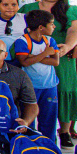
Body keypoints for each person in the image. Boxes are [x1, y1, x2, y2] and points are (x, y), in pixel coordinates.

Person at [19, 0, 77, 148]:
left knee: (64, 90)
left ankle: (64, 131)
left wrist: (66, 47)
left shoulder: (72, 10)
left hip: (62, 57)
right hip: (32, 54)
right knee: (32, 93)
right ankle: (29, 130)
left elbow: (75, 31)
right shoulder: (28, 8)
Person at [13, 9, 60, 141]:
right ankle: (30, 146)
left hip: (49, 86)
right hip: (30, 87)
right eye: (51, 24)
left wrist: (33, 56)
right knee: (28, 120)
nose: (54, 27)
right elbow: (24, 62)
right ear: (41, 27)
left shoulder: (50, 41)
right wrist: (45, 54)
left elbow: (55, 61)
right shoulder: (22, 41)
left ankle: (49, 145)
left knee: (49, 119)